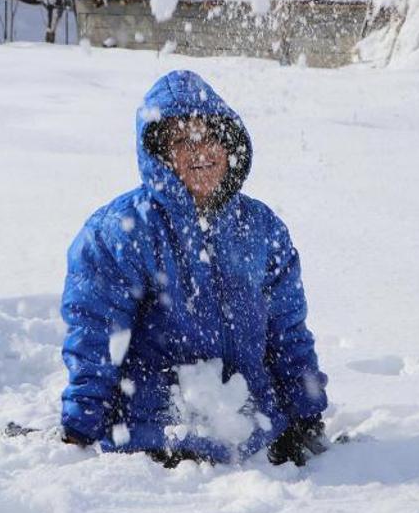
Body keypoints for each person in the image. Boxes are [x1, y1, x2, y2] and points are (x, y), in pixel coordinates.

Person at [59, 70, 328, 467]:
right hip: (158, 441)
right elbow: (96, 336)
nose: (200, 151)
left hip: (258, 439)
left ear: (229, 144)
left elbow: (287, 331)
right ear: (159, 154)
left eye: (210, 137)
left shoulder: (261, 227)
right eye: (182, 140)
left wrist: (307, 411)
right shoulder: (120, 232)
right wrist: (80, 425)